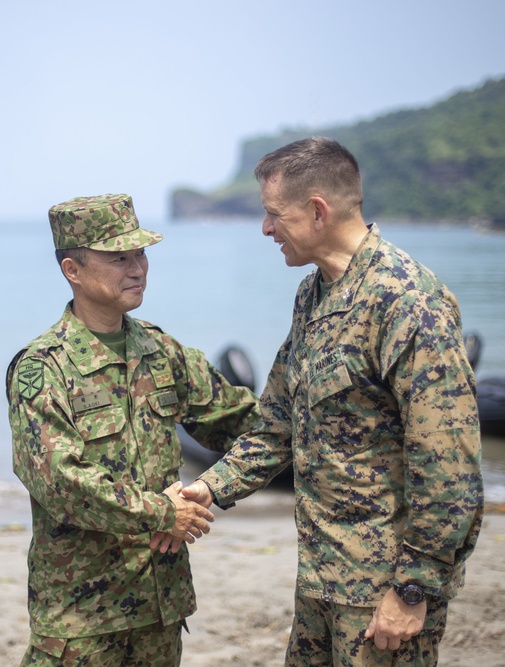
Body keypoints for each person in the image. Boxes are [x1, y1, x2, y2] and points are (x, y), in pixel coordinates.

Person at [176, 138, 484, 666]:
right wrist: (207, 487)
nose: (266, 229)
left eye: (274, 215)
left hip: (382, 591)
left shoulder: (406, 301)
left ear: (317, 211)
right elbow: (275, 424)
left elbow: (449, 466)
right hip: (322, 577)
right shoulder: (314, 294)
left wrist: (413, 590)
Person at [6, 193, 260, 666]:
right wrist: (164, 514)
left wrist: (217, 485)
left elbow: (246, 423)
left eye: (141, 254)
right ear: (73, 270)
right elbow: (60, 482)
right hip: (81, 618)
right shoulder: (43, 368)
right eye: (118, 257)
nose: (137, 268)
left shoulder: (162, 352)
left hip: (160, 607)